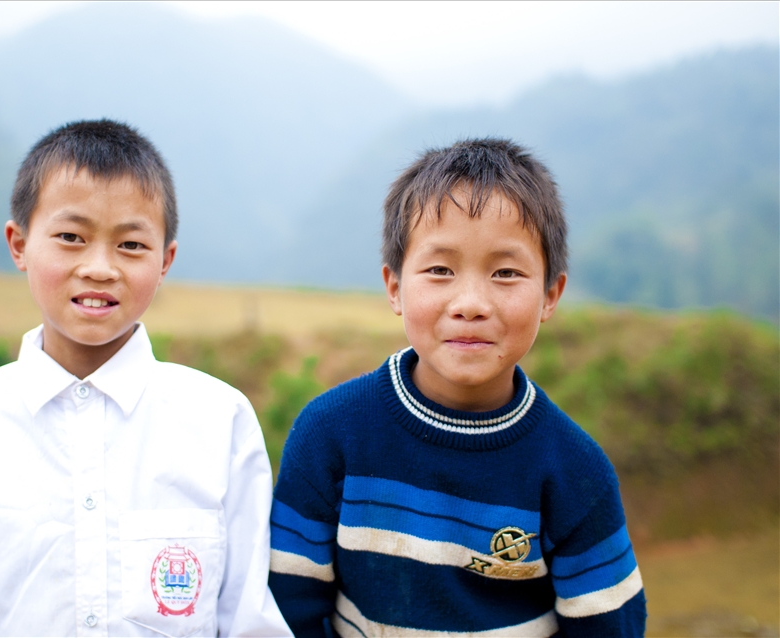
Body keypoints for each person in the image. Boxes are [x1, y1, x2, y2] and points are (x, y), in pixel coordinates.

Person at [0, 119, 290, 637]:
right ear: (19, 244)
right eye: (71, 237)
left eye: (131, 246)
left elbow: (248, 620)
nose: (99, 268)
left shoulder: (220, 421)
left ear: (165, 260)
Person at [268, 139, 646, 637]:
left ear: (551, 294)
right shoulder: (330, 435)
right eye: (440, 270)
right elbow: (287, 611)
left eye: (506, 273)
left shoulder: (574, 472)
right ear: (395, 287)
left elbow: (610, 627)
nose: (470, 303)